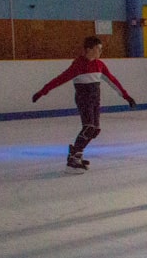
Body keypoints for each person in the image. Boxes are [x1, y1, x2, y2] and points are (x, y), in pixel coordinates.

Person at [32, 35, 137, 171]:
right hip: (84, 100)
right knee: (88, 127)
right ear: (89, 49)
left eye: (101, 49)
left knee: (95, 130)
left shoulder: (100, 65)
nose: (100, 52)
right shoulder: (79, 65)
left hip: (95, 100)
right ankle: (74, 157)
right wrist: (42, 92)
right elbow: (59, 79)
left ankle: (76, 152)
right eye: (98, 49)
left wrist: (126, 96)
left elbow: (113, 81)